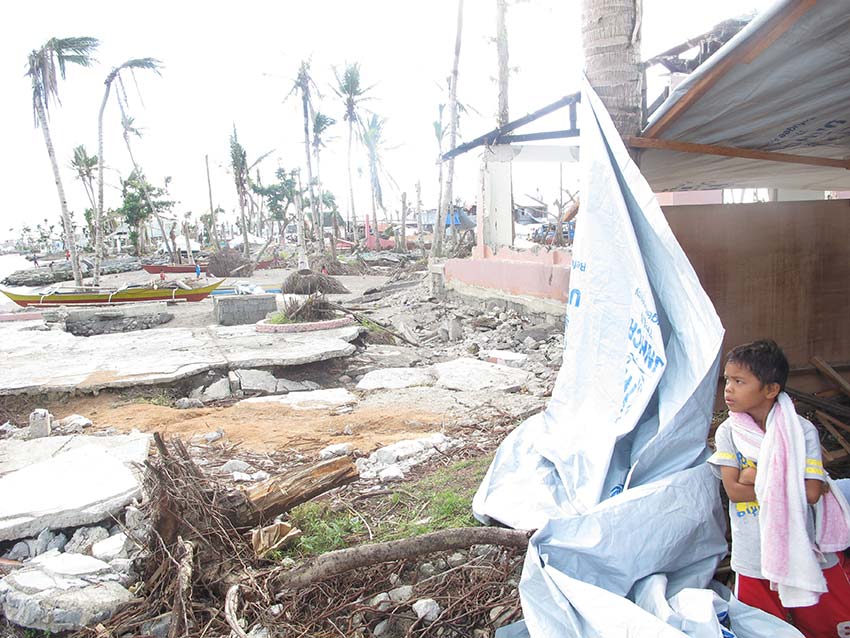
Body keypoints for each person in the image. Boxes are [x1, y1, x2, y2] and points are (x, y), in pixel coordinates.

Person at [709, 339, 850, 637]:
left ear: (771, 389)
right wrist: (784, 482)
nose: (728, 389)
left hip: (805, 548)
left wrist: (753, 476)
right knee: (761, 629)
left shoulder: (801, 431)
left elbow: (811, 493)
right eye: (727, 381)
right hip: (753, 551)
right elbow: (734, 491)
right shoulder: (728, 433)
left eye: (739, 381)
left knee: (830, 626)